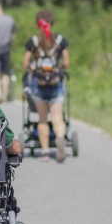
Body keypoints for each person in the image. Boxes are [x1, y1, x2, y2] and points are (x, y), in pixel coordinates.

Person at [23, 10, 70, 162]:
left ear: (38, 23)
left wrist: (34, 69)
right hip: (56, 83)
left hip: (39, 84)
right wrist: (58, 70)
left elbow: (26, 65)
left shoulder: (33, 41)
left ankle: (45, 152)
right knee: (57, 117)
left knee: (42, 119)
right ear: (52, 22)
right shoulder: (60, 40)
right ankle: (60, 137)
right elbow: (66, 63)